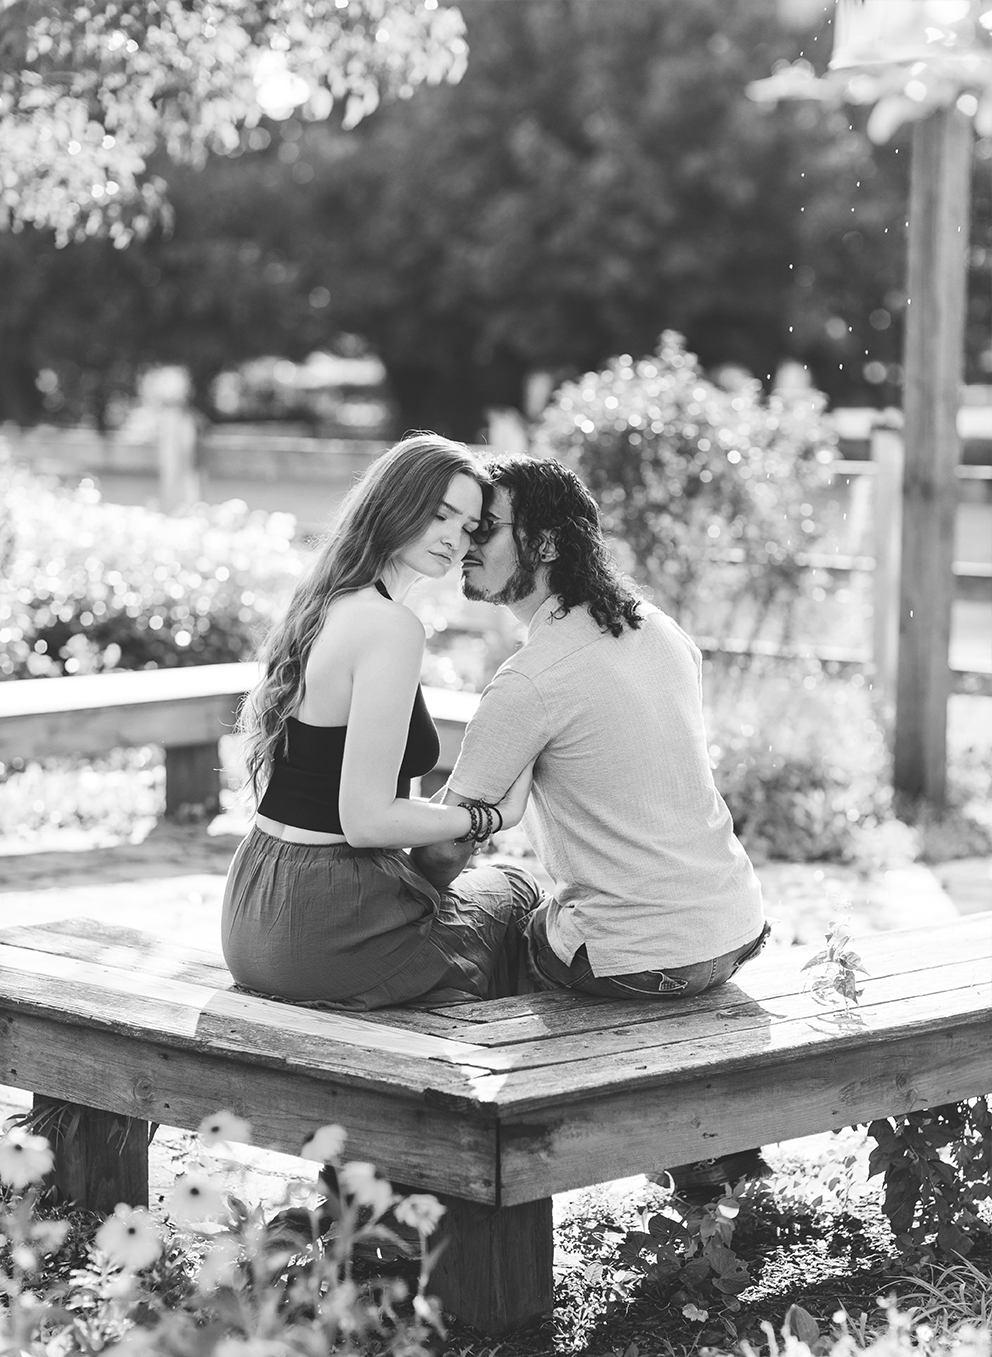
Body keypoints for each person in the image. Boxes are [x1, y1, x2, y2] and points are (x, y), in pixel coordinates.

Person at [439, 454, 771, 1192]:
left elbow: (444, 844)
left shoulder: (530, 679)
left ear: (547, 545)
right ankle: (710, 1159)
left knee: (486, 921)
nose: (468, 544)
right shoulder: (659, 629)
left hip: (642, 959)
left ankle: (468, 1166)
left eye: (486, 529)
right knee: (543, 902)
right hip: (734, 923)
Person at [221, 433, 540, 1011]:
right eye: (440, 514)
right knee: (517, 892)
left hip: (253, 906)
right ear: (394, 503)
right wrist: (488, 817)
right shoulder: (390, 626)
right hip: (326, 924)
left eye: (470, 527)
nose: (454, 538)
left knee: (471, 894)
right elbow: (366, 821)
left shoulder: (328, 601)